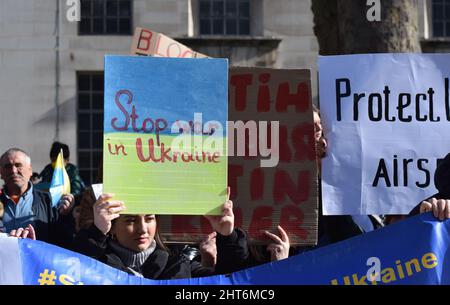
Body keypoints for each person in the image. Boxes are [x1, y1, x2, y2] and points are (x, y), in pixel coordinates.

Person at [71, 190, 249, 279]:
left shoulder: (179, 265)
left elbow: (230, 283)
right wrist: (96, 231)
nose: (143, 229)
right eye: (131, 221)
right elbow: (72, 271)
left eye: (149, 218)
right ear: (112, 227)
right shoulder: (96, 266)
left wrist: (227, 236)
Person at [0, 148, 75, 248]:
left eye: (18, 165)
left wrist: (65, 216)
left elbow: (63, 242)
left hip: (38, 263)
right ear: (1, 172)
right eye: (7, 166)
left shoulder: (48, 201)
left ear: (30, 170)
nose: (13, 171)